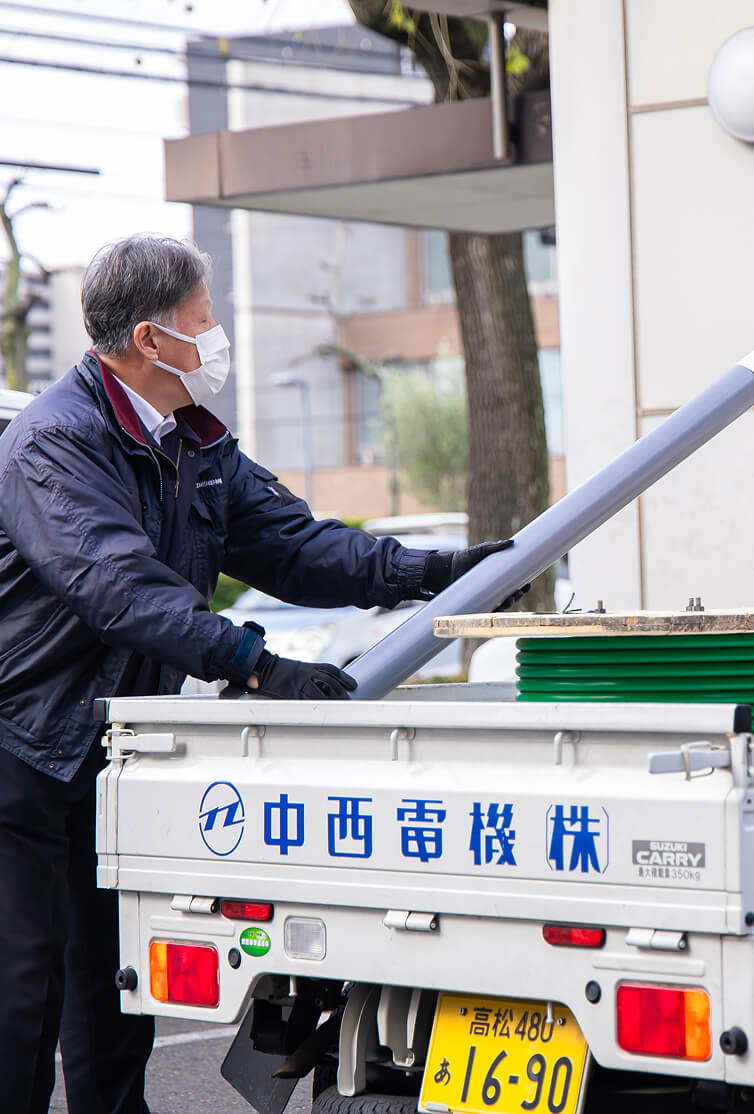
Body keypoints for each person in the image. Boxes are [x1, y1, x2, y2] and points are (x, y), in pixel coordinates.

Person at [0, 235, 518, 1114]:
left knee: (114, 997)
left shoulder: (192, 442)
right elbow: (118, 587)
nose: (220, 337)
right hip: (22, 756)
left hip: (114, 759)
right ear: (151, 342)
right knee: (20, 999)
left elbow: (297, 545)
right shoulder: (52, 442)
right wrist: (255, 664)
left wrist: (433, 571)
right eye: (206, 320)